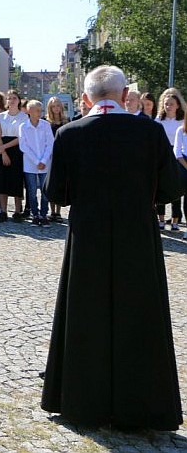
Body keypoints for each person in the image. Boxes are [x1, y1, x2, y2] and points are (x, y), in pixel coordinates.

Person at [41, 65, 183, 431]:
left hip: (88, 238)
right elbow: (171, 188)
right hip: (137, 236)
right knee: (139, 317)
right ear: (124, 96)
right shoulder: (149, 132)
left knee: (86, 316)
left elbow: (55, 191)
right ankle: (141, 409)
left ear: (86, 98)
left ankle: (83, 404)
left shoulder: (70, 133)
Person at [0, 89, 28, 223]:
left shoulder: (23, 117)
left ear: (19, 100)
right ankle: (3, 210)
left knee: (16, 180)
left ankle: (18, 211)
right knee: (2, 179)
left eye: (14, 98)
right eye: (9, 98)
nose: (12, 100)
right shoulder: (1, 116)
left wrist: (5, 148)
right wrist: (2, 152)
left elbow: (21, 137)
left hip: (16, 150)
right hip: (1, 150)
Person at [20, 100, 54, 226]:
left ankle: (44, 214)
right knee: (32, 190)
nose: (40, 113)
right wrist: (36, 161)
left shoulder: (45, 125)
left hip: (45, 164)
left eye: (40, 110)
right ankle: (35, 214)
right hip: (30, 164)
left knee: (45, 191)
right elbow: (24, 146)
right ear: (29, 111)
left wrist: (44, 160)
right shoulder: (23, 126)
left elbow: (50, 143)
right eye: (37, 110)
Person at [156, 88, 186, 231]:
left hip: (177, 157)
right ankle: (161, 219)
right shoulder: (158, 120)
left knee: (176, 187)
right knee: (160, 186)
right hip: (162, 153)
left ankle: (175, 220)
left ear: (178, 105)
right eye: (166, 104)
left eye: (171, 104)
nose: (168, 107)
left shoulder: (182, 121)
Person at [45, 96, 69, 221]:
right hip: (49, 155)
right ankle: (52, 211)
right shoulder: (46, 122)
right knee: (51, 182)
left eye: (57, 106)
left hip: (62, 154)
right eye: (53, 106)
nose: (56, 108)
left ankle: (58, 212)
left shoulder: (66, 121)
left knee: (61, 182)